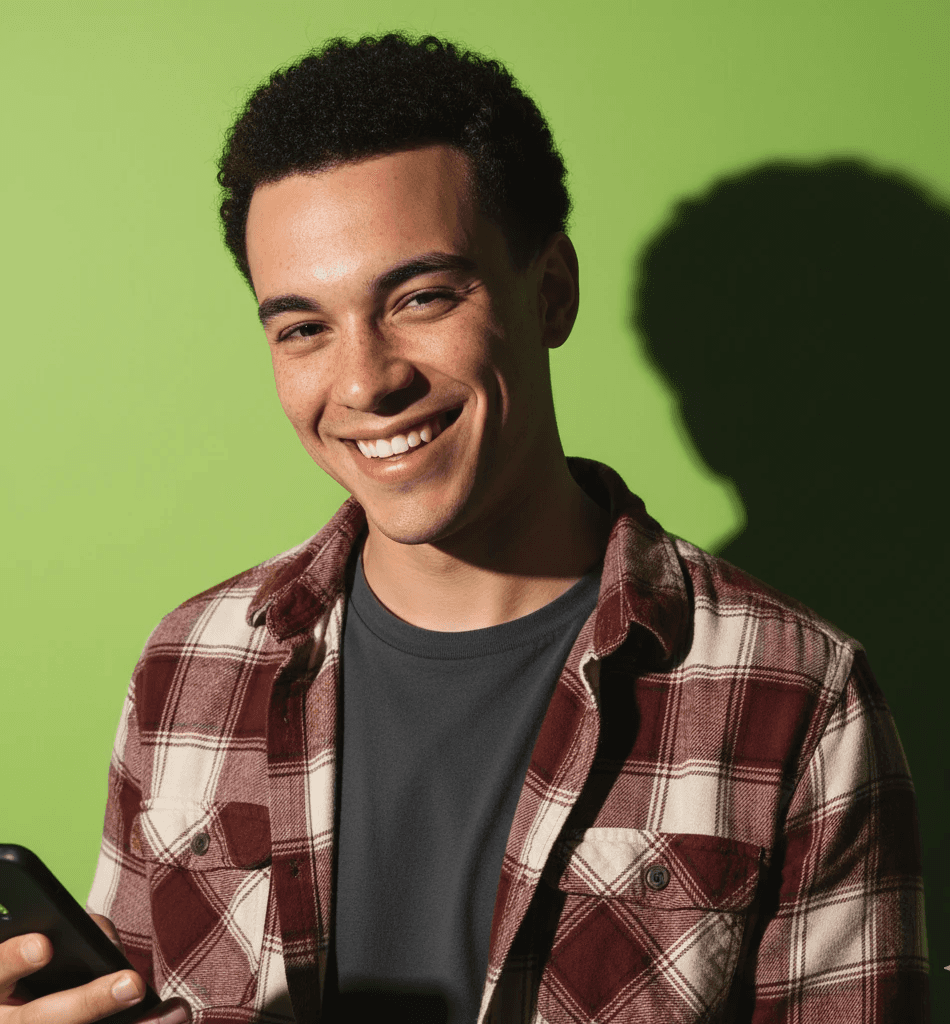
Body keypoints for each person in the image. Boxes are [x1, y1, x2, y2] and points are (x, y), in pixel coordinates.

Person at [0, 32, 929, 1024]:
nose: (364, 381)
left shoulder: (793, 693)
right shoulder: (187, 667)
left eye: (421, 297)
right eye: (303, 326)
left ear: (552, 292)